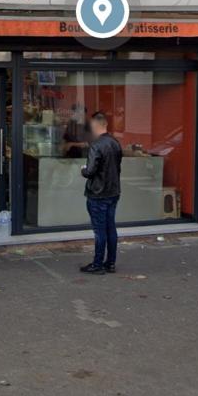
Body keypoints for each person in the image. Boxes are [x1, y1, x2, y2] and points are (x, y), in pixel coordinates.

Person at [80, 111, 123, 274]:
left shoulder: (96, 145)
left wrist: (83, 170)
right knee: (110, 228)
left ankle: (97, 264)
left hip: (98, 193)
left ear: (96, 126)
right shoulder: (115, 143)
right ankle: (110, 263)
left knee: (99, 231)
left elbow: (90, 171)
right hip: (113, 191)